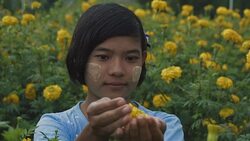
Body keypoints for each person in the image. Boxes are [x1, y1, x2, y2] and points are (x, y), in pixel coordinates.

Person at [34, 3, 184, 141]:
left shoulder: (165, 126)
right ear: (81, 58)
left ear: (143, 59)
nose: (117, 70)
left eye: (131, 58)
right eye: (103, 57)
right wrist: (93, 135)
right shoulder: (55, 125)